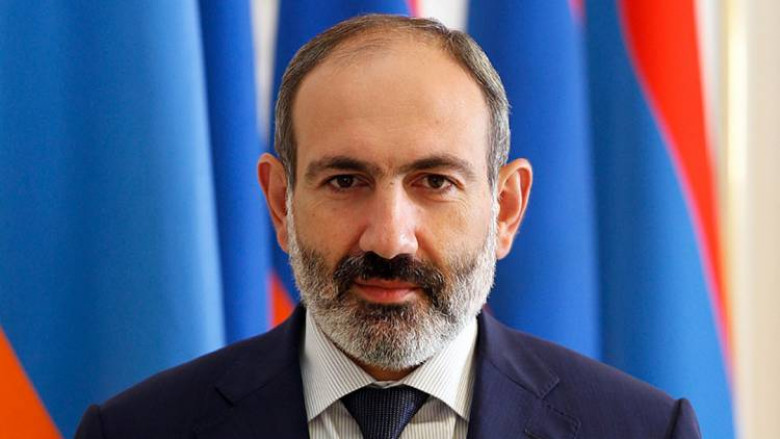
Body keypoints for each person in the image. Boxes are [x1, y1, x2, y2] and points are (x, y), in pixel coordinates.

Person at [75, 14, 701, 439]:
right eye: (346, 181)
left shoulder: (642, 430)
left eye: (435, 182)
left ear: (506, 208)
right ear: (280, 203)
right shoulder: (136, 430)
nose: (389, 239)